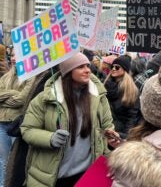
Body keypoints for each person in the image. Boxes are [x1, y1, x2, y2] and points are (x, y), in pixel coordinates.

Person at [20, 52, 116, 187]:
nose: (87, 70)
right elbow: (27, 129)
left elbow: (107, 127)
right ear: (68, 71)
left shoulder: (98, 97)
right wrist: (50, 138)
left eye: (87, 66)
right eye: (80, 67)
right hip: (53, 176)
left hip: (86, 175)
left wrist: (110, 135)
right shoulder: (45, 99)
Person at [0, 49, 36, 187]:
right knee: (3, 160)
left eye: (18, 55)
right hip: (1, 123)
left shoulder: (32, 76)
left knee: (15, 161)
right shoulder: (7, 76)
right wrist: (13, 93)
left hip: (16, 125)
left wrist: (4, 96)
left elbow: (21, 99)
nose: (14, 58)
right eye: (13, 55)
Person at [104, 56, 140, 139]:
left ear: (125, 70)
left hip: (120, 134)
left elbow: (131, 117)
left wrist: (124, 137)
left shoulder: (131, 90)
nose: (113, 69)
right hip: (105, 130)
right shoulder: (105, 86)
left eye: (117, 67)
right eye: (112, 66)